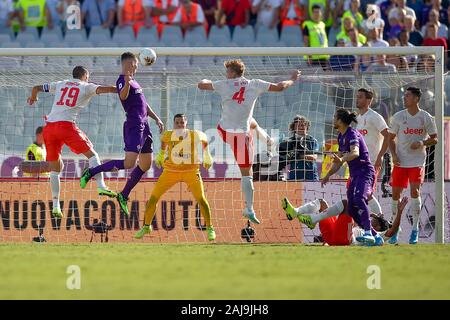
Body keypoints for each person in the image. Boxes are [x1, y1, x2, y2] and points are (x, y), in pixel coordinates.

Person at [198, 59, 300, 224]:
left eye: (227, 71)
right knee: (247, 174)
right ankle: (249, 208)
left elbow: (202, 85)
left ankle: (268, 141)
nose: (226, 74)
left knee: (251, 121)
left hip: (223, 130)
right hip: (239, 135)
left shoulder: (223, 84)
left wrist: (202, 80)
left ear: (232, 72)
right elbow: (280, 87)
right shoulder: (255, 84)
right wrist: (293, 79)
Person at [27, 66, 118, 218]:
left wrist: (33, 97)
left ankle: (56, 206)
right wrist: (123, 89)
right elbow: (107, 89)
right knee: (92, 155)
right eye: (87, 77)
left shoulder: (61, 83)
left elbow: (36, 87)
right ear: (85, 76)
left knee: (55, 169)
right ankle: (101, 186)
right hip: (66, 126)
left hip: (49, 128)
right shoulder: (86, 86)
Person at [80, 52, 164, 217]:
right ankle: (91, 172)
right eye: (136, 63)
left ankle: (123, 194)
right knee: (129, 163)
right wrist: (126, 83)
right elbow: (123, 96)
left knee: (146, 164)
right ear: (131, 63)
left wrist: (156, 118)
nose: (138, 66)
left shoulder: (135, 81)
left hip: (145, 125)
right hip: (134, 126)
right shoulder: (122, 80)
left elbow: (143, 104)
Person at [134, 114, 216, 241]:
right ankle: (146, 226)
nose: (179, 125)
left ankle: (210, 228)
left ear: (186, 123)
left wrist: (207, 154)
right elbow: (163, 142)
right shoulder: (168, 135)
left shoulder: (194, 134)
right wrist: (161, 154)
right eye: (177, 122)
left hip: (191, 171)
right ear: (173, 123)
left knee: (202, 200)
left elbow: (205, 138)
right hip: (170, 171)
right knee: (153, 199)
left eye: (182, 122)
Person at [388, 87, 438, 244]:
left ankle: (415, 230)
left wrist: (422, 142)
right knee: (395, 195)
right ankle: (396, 229)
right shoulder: (398, 116)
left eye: (408, 95)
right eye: (404, 95)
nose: (405, 97)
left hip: (417, 162)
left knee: (415, 191)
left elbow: (435, 138)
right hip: (400, 162)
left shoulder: (426, 117)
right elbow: (390, 138)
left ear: (416, 98)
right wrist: (394, 155)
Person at [321, 108, 377, 244]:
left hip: (365, 172)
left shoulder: (352, 134)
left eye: (335, 117)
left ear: (340, 120)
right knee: (351, 208)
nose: (333, 120)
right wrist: (328, 175)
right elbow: (338, 161)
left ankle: (369, 232)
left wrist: (342, 159)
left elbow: (355, 153)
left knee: (359, 199)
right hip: (354, 175)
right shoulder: (341, 136)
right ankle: (376, 235)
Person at [281, 195, 408, 246]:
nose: (372, 220)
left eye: (376, 221)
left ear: (379, 227)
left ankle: (313, 220)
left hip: (345, 240)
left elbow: (392, 231)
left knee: (347, 204)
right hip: (333, 237)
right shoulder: (363, 225)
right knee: (322, 203)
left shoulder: (378, 235)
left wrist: (400, 212)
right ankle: (295, 212)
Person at [355, 88, 390, 217]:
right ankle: (364, 223)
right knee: (356, 193)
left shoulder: (375, 116)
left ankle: (380, 220)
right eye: (357, 96)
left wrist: (381, 156)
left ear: (369, 100)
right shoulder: (358, 118)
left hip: (371, 162)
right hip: (358, 163)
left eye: (360, 97)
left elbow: (387, 136)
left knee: (367, 193)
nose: (357, 99)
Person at [278, 115, 319, 181]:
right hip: (294, 176)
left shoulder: (312, 140)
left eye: (303, 125)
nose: (301, 127)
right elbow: (284, 158)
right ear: (294, 128)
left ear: (307, 126)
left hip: (311, 176)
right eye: (298, 125)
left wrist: (298, 155)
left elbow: (314, 157)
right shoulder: (289, 141)